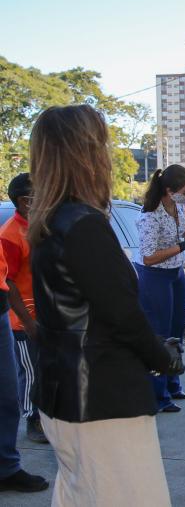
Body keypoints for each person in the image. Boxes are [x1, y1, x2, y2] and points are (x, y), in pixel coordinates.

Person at [28, 104, 185, 505]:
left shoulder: (51, 221)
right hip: (101, 400)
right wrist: (163, 356)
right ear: (86, 153)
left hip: (65, 395)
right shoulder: (83, 224)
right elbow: (122, 315)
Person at [136, 164, 185, 413]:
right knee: (161, 335)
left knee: (177, 330)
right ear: (169, 189)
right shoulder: (150, 215)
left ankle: (173, 382)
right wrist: (183, 246)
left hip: (176, 273)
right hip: (155, 277)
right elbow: (149, 257)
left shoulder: (176, 207)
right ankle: (158, 394)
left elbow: (182, 231)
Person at [0, 173, 47, 444]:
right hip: (24, 321)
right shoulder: (10, 234)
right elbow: (8, 282)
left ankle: (47, 415)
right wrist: (28, 322)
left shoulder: (40, 227)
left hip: (46, 315)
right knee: (30, 372)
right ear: (25, 201)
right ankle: (33, 419)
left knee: (46, 368)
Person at [0, 240, 48, 493]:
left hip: (1, 312)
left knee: (7, 398)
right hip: (14, 317)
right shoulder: (11, 232)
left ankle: (6, 468)